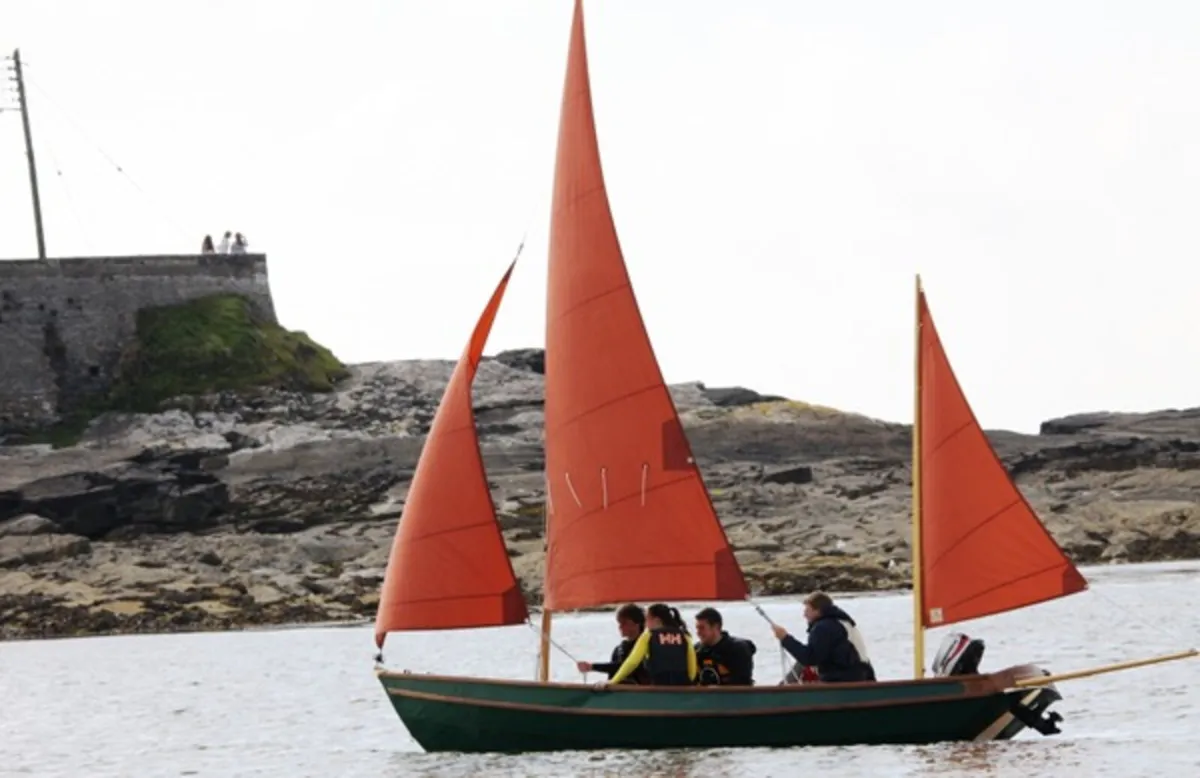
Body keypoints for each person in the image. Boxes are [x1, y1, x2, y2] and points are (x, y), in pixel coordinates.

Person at [771, 592, 875, 683]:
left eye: (808, 610)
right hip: (862, 675)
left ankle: (779, 692)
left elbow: (810, 658)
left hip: (844, 679)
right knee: (801, 665)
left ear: (818, 611)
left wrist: (785, 638)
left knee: (802, 663)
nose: (804, 615)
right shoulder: (842, 622)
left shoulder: (824, 627)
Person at [606, 603, 696, 686]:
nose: (645, 624)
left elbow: (632, 662)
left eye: (646, 620)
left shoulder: (649, 635)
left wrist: (614, 681)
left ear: (657, 621)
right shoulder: (685, 636)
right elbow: (692, 671)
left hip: (658, 689)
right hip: (682, 689)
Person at [577, 604, 649, 684]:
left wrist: (592, 667)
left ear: (637, 624)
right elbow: (612, 675)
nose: (620, 627)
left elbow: (624, 667)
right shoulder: (618, 649)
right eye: (619, 623)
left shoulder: (647, 645)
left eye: (624, 623)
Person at [693, 607, 756, 686]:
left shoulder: (738, 650)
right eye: (697, 628)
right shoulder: (697, 651)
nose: (698, 633)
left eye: (702, 628)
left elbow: (743, 683)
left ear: (716, 627)